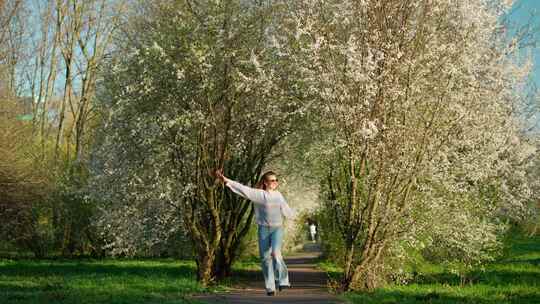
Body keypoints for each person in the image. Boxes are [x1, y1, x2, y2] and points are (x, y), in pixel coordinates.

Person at [215, 169, 295, 296]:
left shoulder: (279, 195)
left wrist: (293, 217)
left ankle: (283, 280)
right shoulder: (259, 195)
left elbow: (286, 209)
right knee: (265, 259)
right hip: (263, 229)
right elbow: (242, 189)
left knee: (275, 253)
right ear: (265, 182)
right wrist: (226, 180)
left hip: (277, 229)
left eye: (276, 180)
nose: (275, 182)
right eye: (272, 180)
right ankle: (270, 287)